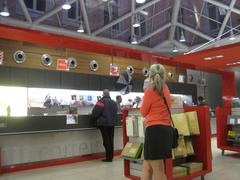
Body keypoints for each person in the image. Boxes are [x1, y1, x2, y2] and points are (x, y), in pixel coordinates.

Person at [140, 64, 172, 180]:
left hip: (154, 131)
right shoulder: (166, 89)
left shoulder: (150, 91)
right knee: (146, 166)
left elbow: (143, 112)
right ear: (164, 75)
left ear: (150, 75)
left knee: (158, 171)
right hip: (165, 130)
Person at [92, 89, 118, 162]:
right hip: (112, 123)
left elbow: (95, 113)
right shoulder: (114, 102)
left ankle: (108, 158)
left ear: (103, 94)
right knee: (111, 140)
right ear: (109, 94)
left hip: (104, 124)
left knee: (106, 141)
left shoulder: (101, 102)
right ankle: (111, 156)